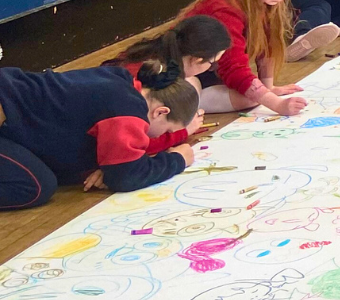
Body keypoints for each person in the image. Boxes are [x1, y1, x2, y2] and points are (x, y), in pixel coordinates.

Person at [0, 62, 199, 205]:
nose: (160, 136)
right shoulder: (127, 110)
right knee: (35, 187)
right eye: (167, 130)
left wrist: (111, 167)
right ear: (161, 112)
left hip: (10, 108)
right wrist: (177, 160)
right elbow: (126, 177)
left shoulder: (122, 82)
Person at [178, 0, 312, 116]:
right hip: (185, 72)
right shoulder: (226, 7)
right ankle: (184, 104)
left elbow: (267, 43)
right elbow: (233, 66)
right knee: (252, 97)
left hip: (210, 69)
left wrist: (268, 87)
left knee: (256, 95)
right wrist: (277, 104)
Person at [117, 16, 229, 82]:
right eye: (213, 64)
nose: (214, 67)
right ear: (197, 60)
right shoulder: (154, 81)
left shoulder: (155, 51)